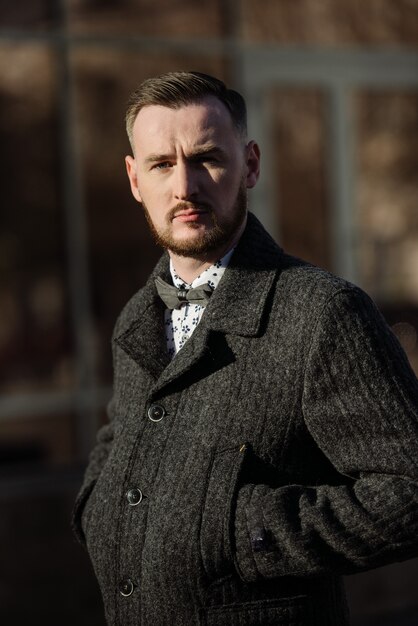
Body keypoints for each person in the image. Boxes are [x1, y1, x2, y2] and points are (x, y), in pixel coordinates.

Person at [73, 71, 418, 626]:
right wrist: (99, 504)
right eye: (162, 164)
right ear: (135, 180)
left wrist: (249, 532)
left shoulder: (322, 313)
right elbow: (120, 435)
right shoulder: (138, 316)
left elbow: (409, 490)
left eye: (206, 158)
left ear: (250, 165)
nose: (184, 186)